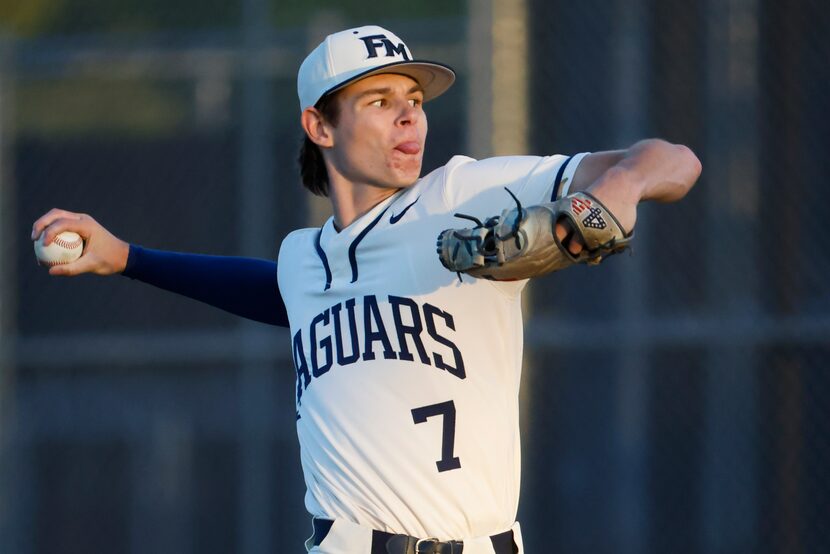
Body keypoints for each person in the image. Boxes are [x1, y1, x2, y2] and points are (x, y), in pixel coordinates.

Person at [31, 25, 701, 554]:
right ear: (319, 127)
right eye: (379, 103)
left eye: (413, 103)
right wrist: (127, 258)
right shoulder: (304, 262)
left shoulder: (460, 196)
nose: (408, 119)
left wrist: (617, 189)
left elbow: (675, 161)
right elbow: (273, 291)